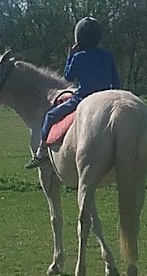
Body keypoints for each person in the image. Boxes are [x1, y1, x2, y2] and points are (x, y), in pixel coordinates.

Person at [25, 17, 121, 169]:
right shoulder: (107, 55)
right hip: (106, 97)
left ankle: (41, 152)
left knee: (50, 116)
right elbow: (116, 82)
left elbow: (68, 77)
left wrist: (70, 56)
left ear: (79, 38)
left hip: (83, 98)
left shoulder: (78, 57)